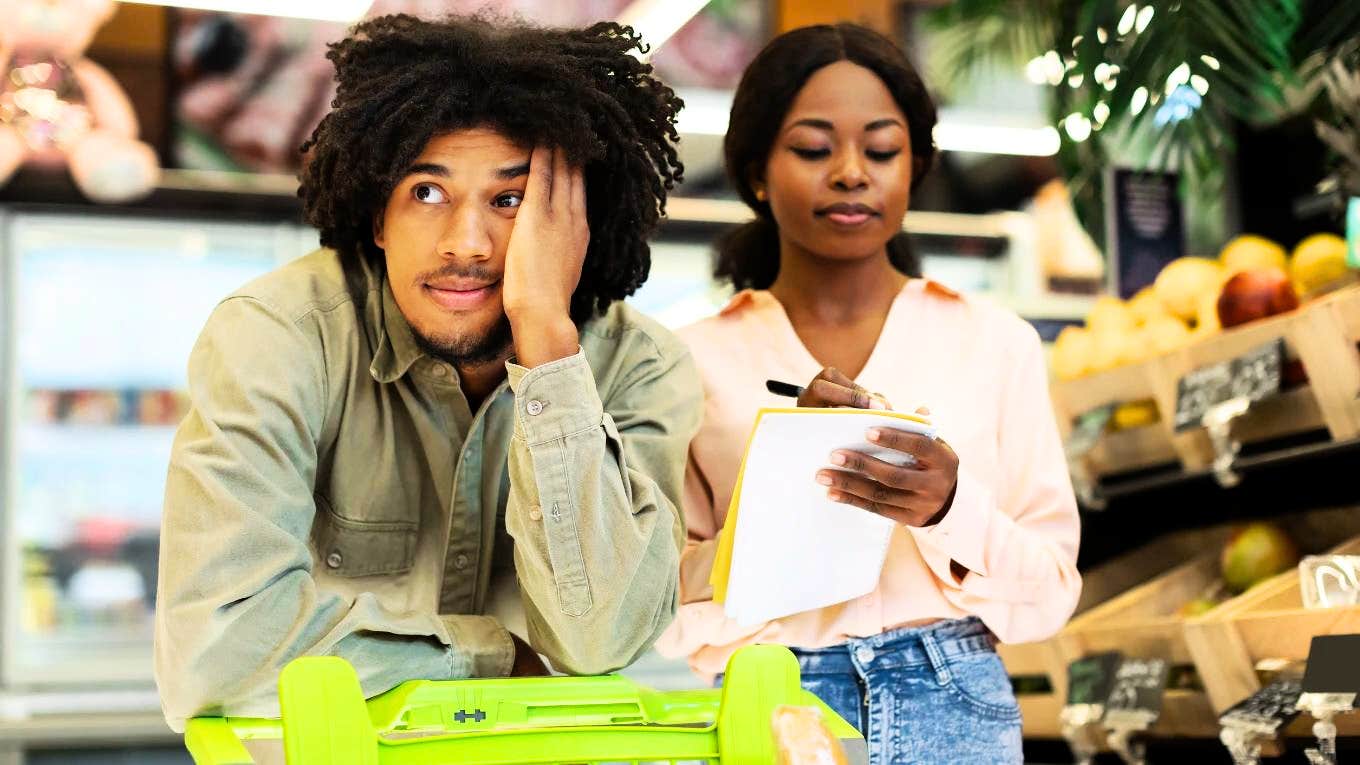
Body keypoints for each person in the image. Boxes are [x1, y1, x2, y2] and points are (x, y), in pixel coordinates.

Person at [154, 14, 699, 730]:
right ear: (378, 216)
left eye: (510, 200)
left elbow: (603, 635)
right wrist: (491, 659)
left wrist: (546, 340)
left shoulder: (639, 367)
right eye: (427, 193)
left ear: (572, 221)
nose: (465, 243)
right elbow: (214, 651)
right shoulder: (280, 335)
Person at [655, 23, 1081, 764]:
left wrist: (951, 508)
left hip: (959, 699)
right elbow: (660, 609)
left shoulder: (997, 342)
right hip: (772, 697)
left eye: (882, 149)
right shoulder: (688, 360)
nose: (852, 172)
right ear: (756, 170)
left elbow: (1049, 592)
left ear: (915, 167)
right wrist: (786, 492)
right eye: (814, 149)